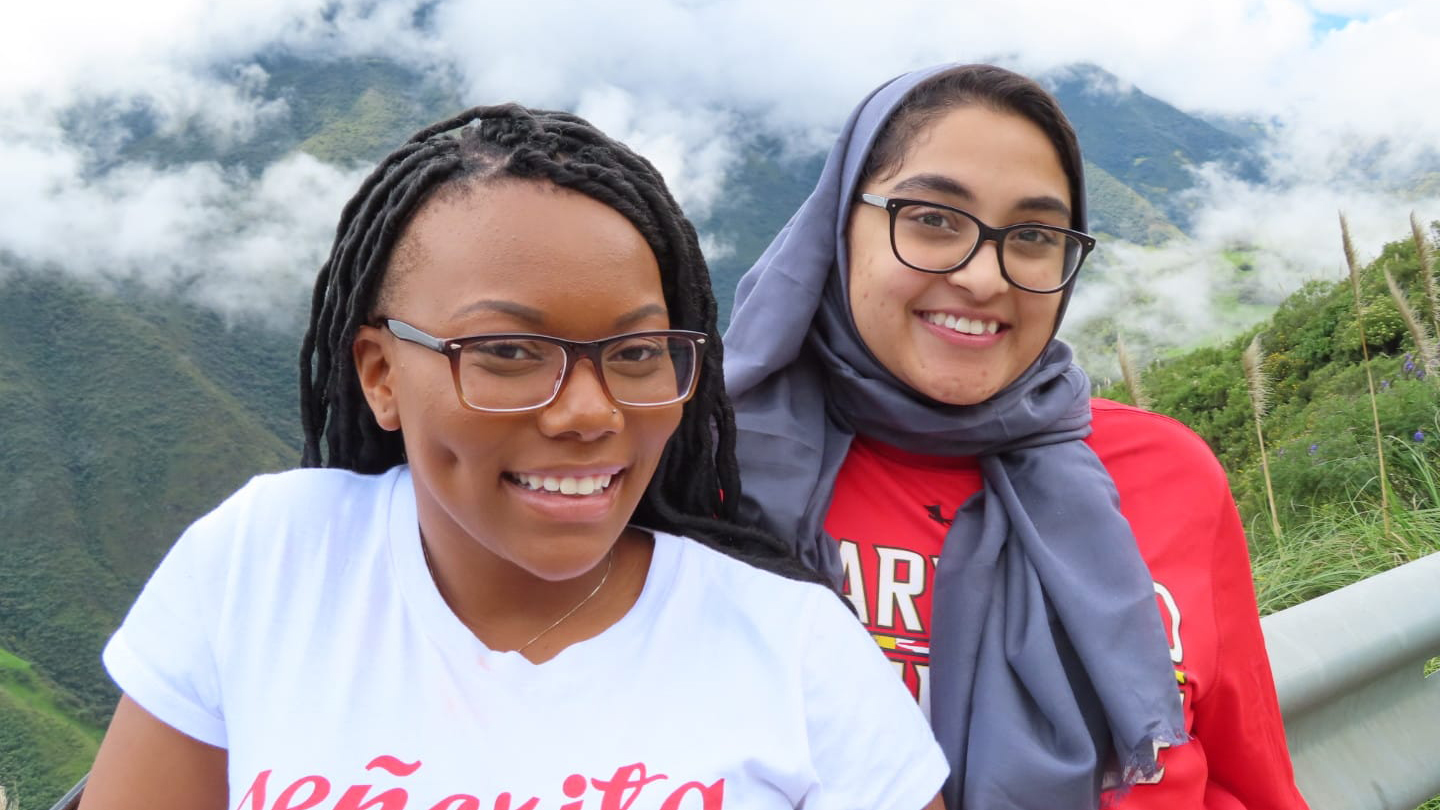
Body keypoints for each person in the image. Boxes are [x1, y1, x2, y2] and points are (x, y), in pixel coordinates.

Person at [81, 104, 948, 810]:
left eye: (638, 354)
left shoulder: (797, 654)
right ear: (382, 376)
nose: (587, 412)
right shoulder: (263, 566)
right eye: (506, 352)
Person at [725, 64, 1309, 810]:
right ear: (839, 228)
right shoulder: (723, 477)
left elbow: (1250, 778)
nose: (982, 277)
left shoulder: (1170, 473)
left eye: (1032, 235)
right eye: (932, 218)